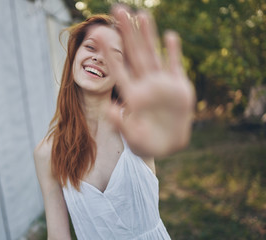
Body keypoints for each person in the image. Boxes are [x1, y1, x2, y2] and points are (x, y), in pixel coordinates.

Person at [34, 5, 195, 240]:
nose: (98, 57)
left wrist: (172, 127)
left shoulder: (135, 124)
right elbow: (58, 236)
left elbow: (160, 133)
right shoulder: (47, 153)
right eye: (90, 47)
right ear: (74, 54)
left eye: (114, 56)